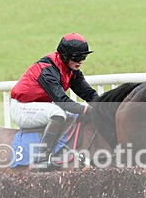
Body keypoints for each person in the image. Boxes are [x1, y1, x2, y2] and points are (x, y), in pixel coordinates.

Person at [10, 33, 99, 171]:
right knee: (58, 113)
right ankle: (42, 159)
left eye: (84, 57)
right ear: (64, 55)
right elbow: (62, 101)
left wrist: (105, 106)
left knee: (70, 115)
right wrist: (87, 110)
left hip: (38, 106)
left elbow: (88, 93)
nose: (81, 61)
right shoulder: (47, 70)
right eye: (77, 57)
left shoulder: (71, 70)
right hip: (22, 107)